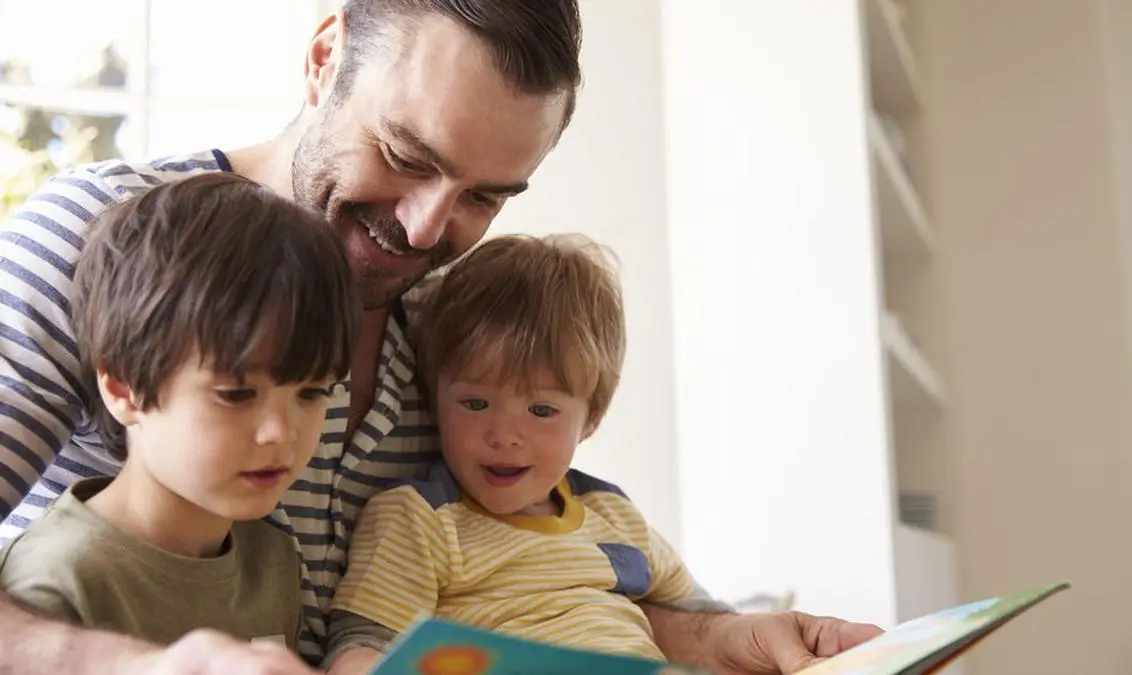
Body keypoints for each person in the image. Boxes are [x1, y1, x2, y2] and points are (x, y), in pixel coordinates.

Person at [0, 1, 881, 673]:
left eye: (484, 196)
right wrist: (139, 666)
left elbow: (526, 584)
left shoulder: (462, 333)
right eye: (407, 156)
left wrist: (717, 637)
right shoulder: (97, 238)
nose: (426, 230)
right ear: (324, 58)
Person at [0, 173, 358, 663]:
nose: (281, 432)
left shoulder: (272, 557)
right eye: (236, 394)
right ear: (122, 389)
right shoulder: (54, 577)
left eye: (313, 392)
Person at [322, 234, 694, 673]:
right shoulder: (419, 519)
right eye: (475, 403)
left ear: (591, 418)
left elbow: (700, 617)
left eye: (541, 410)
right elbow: (365, 644)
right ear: (433, 398)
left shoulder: (612, 513)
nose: (504, 436)